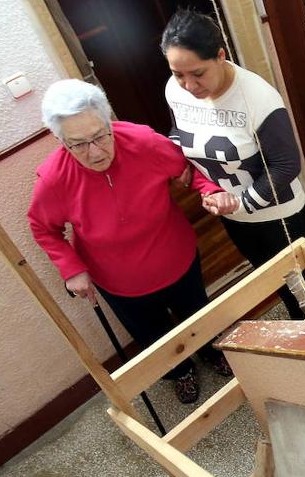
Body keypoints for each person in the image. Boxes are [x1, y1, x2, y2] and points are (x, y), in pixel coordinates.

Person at [27, 79, 229, 404]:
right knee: (153, 335)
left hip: (175, 256)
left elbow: (188, 170)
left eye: (99, 136)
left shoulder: (143, 141)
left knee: (197, 314)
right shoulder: (54, 180)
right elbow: (43, 228)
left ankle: (210, 350)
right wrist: (71, 268)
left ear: (110, 122)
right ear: (59, 140)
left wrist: (211, 191)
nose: (94, 152)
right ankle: (178, 372)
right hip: (118, 280)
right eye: (78, 144)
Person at [160, 8, 305, 319]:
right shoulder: (174, 90)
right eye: (178, 74)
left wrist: (240, 204)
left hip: (276, 214)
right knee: (273, 281)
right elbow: (181, 133)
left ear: (220, 55)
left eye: (198, 73)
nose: (189, 86)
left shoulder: (258, 98)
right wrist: (181, 165)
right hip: (233, 215)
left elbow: (285, 165)